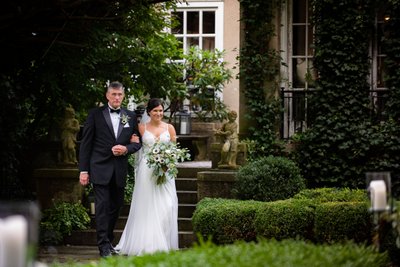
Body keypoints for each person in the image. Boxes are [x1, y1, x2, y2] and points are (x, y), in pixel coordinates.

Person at [78, 81, 142, 258]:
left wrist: (126, 149)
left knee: (116, 206)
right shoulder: (95, 115)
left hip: (119, 169)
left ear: (123, 96)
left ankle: (109, 240)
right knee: (102, 207)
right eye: (113, 94)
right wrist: (83, 170)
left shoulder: (129, 116)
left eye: (119, 94)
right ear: (107, 95)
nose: (116, 97)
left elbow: (137, 143)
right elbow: (86, 144)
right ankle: (103, 246)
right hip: (99, 168)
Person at [115, 98, 179, 255]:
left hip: (165, 171)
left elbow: (175, 150)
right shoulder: (141, 128)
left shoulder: (169, 128)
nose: (158, 113)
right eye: (155, 110)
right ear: (149, 112)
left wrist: (168, 161)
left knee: (167, 206)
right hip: (147, 171)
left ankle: (162, 240)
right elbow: (136, 146)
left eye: (161, 110)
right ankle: (148, 243)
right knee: (147, 206)